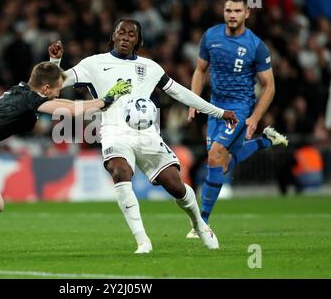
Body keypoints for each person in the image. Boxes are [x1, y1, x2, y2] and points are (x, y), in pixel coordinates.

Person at [48, 18, 238, 253]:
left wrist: (219, 112)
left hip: (147, 134)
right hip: (113, 130)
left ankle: (200, 224)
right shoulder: (94, 64)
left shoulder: (150, 68)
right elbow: (55, 84)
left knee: (175, 186)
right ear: (113, 36)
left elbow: (181, 93)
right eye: (121, 32)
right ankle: (142, 241)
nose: (125, 37)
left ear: (138, 41)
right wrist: (55, 61)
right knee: (119, 171)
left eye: (131, 34)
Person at [0, 62, 131, 256]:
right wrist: (106, 100)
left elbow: (55, 92)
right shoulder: (29, 100)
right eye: (57, 89)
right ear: (46, 88)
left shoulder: (24, 90)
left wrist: (55, 61)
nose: (59, 94)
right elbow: (70, 109)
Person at [186, 0, 289, 238]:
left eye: (237, 11)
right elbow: (200, 70)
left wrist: (253, 117)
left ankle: (202, 223)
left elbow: (270, 86)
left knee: (214, 156)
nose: (232, 15)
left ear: (247, 13)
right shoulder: (211, 36)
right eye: (228, 11)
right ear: (224, 12)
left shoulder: (255, 45)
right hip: (215, 107)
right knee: (220, 164)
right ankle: (265, 141)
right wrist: (193, 100)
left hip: (239, 108)